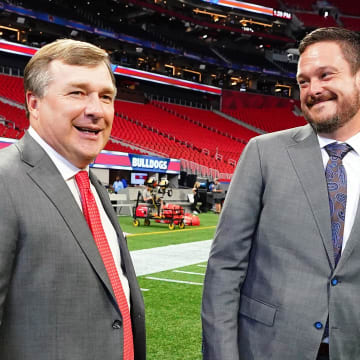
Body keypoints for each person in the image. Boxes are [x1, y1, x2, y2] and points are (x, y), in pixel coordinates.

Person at [202, 27, 360, 360]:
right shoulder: (263, 153)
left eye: (325, 75)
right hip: (269, 348)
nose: (313, 90)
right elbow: (225, 267)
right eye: (303, 81)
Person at [0, 39, 145, 360]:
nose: (96, 110)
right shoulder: (4, 181)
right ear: (33, 104)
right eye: (77, 93)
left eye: (106, 97)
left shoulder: (90, 185)